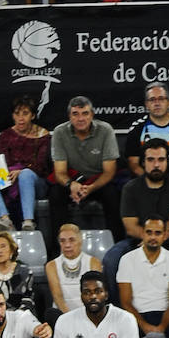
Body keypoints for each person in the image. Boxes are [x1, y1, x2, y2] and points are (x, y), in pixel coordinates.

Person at [102, 139, 169, 297]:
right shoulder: (131, 188)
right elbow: (130, 226)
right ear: (143, 163)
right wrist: (150, 238)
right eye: (151, 160)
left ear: (167, 162)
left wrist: (153, 238)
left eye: (161, 160)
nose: (156, 165)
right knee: (111, 259)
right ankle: (116, 308)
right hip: (135, 240)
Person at [48, 94, 121, 243]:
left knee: (112, 194)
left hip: (98, 181)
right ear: (69, 116)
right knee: (55, 194)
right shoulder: (60, 132)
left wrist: (91, 187)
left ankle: (117, 244)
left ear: (92, 115)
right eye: (75, 114)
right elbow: (60, 172)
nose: (81, 119)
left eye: (85, 113)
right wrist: (72, 185)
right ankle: (58, 248)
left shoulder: (105, 130)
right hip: (73, 181)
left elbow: (109, 171)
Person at [116, 217, 169, 338]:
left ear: (165, 235)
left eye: (158, 233)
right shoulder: (127, 260)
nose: (153, 237)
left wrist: (161, 327)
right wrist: (145, 326)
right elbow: (125, 301)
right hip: (136, 315)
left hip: (165, 316)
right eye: (149, 232)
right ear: (142, 233)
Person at [0, 93, 51, 232]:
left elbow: (41, 165)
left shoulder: (43, 135)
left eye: (25, 113)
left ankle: (28, 221)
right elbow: (5, 161)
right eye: (17, 113)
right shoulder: (6, 135)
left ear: (33, 116)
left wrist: (21, 170)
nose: (21, 118)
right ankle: (5, 219)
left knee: (25, 174)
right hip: (10, 178)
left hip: (35, 180)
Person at [50, 270, 141, 338]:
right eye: (87, 292)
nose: (93, 296)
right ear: (81, 296)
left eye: (98, 291)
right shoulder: (65, 321)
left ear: (106, 294)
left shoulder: (126, 320)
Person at [124, 83, 169, 180]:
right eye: (152, 99)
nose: (157, 103)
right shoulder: (136, 129)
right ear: (146, 104)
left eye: (161, 99)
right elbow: (134, 165)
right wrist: (152, 182)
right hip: (145, 181)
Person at [0, 228, 47, 319]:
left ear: (12, 251)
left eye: (3, 246)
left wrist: (12, 319)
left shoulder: (24, 272)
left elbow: (28, 300)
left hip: (21, 319)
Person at [45, 222, 103, 316]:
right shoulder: (51, 266)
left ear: (80, 241)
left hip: (89, 314)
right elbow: (57, 297)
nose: (67, 245)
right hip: (62, 315)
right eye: (62, 241)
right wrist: (70, 319)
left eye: (72, 240)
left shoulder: (94, 262)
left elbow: (94, 295)